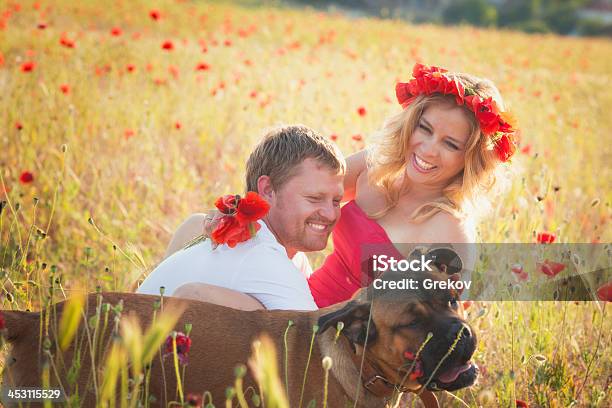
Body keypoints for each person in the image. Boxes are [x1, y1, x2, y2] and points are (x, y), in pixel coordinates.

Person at [154, 63, 517, 309]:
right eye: (425, 129)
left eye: (450, 144)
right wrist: (237, 214)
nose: (428, 148)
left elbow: (435, 322)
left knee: (194, 298)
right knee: (194, 226)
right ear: (411, 124)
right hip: (302, 297)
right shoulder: (375, 167)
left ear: (468, 160)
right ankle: (131, 318)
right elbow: (296, 198)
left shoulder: (449, 229)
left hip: (342, 338)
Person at [136, 125, 345, 311]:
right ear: (268, 189)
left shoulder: (287, 255)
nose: (330, 213)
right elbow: (313, 346)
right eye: (314, 198)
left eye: (336, 201)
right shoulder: (262, 256)